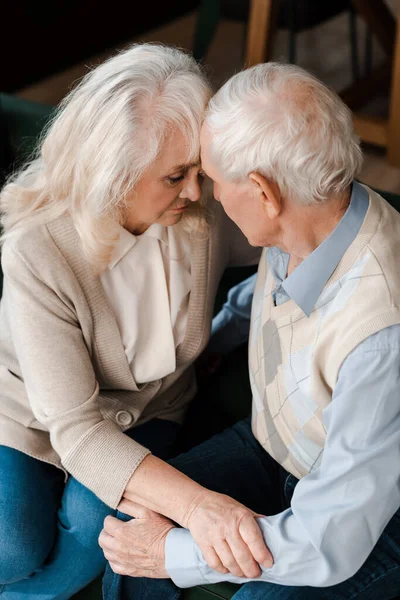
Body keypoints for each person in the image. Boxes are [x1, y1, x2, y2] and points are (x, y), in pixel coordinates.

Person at [100, 62, 400, 600]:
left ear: (262, 193)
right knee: (131, 533)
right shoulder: (313, 214)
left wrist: (170, 553)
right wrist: (216, 339)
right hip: (277, 449)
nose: (205, 194)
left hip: (372, 519)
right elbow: (269, 295)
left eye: (213, 180)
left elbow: (330, 538)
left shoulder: (381, 337)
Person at [0, 43, 261, 599]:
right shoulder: (38, 249)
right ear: (112, 172)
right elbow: (76, 428)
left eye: (198, 169)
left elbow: (285, 232)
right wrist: (200, 506)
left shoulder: (198, 208)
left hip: (150, 407)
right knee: (10, 546)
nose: (195, 191)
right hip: (28, 409)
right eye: (174, 177)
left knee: (98, 530)